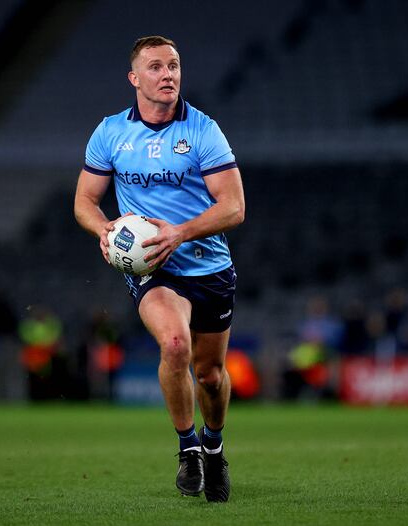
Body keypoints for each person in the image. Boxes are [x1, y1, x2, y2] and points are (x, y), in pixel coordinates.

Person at [74, 35, 245, 502]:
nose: (167, 74)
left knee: (210, 374)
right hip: (152, 268)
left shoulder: (204, 130)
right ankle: (188, 448)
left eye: (173, 66)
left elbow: (233, 207)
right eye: (155, 67)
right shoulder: (110, 132)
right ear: (134, 78)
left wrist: (181, 233)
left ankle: (214, 445)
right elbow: (85, 201)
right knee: (174, 345)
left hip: (208, 265)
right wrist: (104, 230)